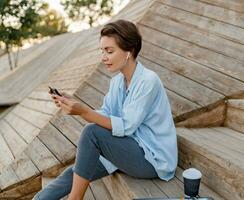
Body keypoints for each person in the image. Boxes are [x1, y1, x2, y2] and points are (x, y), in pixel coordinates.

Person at [34, 19, 178, 200]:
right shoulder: (117, 82)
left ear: (129, 51)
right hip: (127, 147)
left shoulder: (148, 80)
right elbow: (107, 114)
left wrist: (84, 111)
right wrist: (75, 103)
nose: (103, 57)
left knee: (91, 132)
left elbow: (126, 126)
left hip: (152, 160)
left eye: (109, 51)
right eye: (102, 51)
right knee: (75, 171)